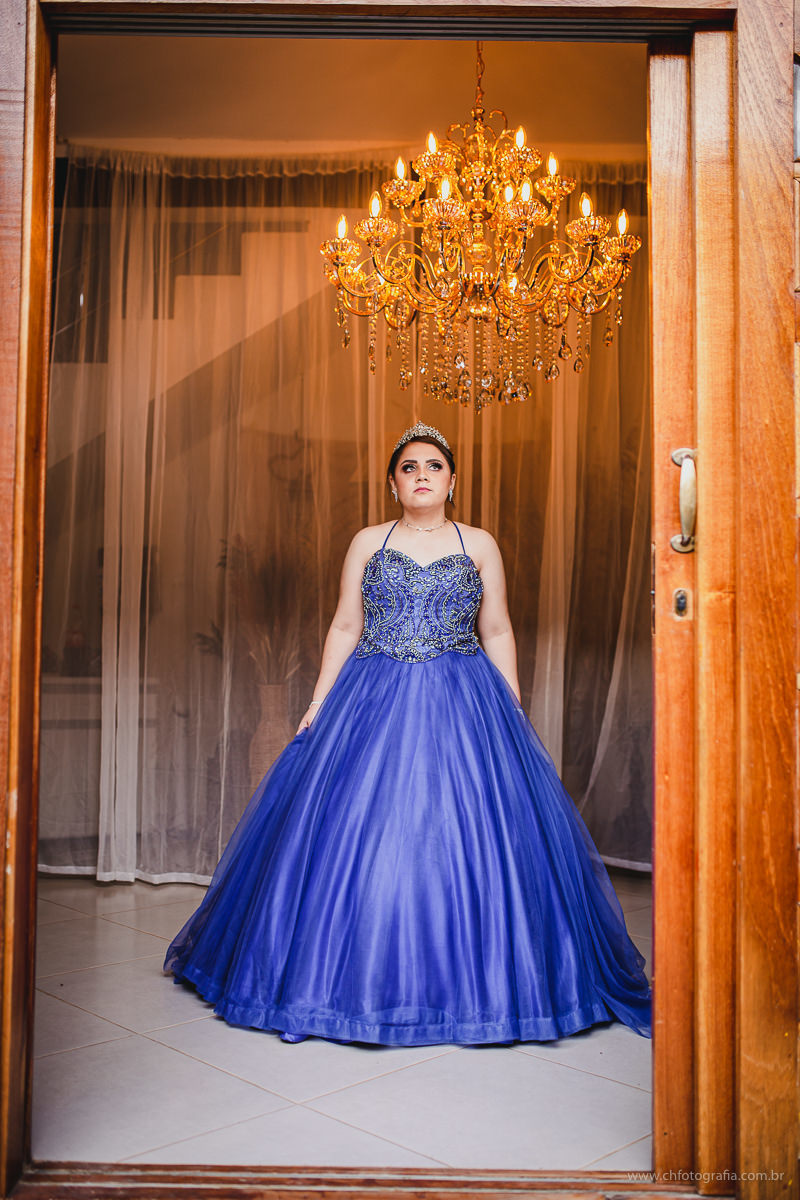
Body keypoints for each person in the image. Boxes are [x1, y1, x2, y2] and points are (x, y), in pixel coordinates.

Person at [164, 421, 651, 1046]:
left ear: (452, 479)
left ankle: (489, 983)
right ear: (393, 482)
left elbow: (496, 628)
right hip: (373, 689)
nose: (422, 475)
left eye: (434, 467)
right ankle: (334, 980)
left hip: (464, 690)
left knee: (468, 828)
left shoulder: (479, 543)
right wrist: (318, 699)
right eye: (409, 467)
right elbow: (346, 625)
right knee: (356, 827)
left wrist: (511, 701)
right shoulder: (369, 540)